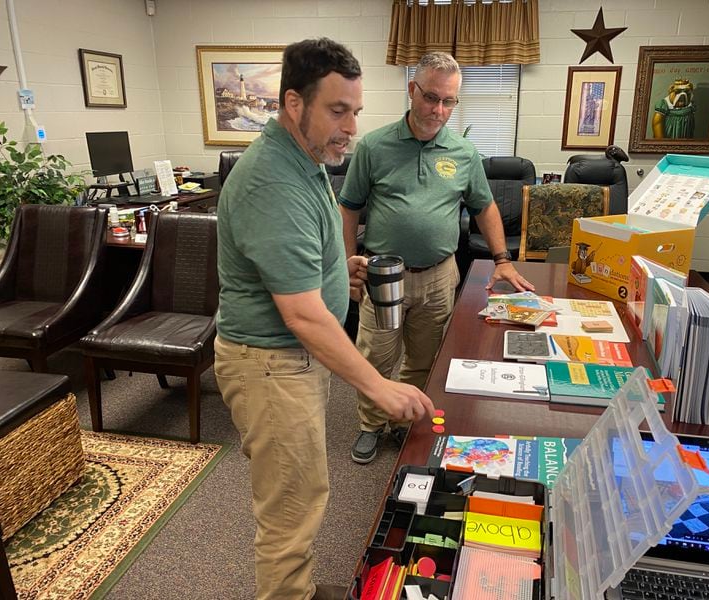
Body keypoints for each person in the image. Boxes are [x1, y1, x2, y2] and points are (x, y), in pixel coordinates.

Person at [214, 38, 435, 600]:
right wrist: (378, 385)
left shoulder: (304, 158)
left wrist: (342, 268)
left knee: (304, 492)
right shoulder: (272, 179)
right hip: (270, 366)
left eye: (356, 112)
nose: (350, 127)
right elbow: (302, 315)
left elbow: (304, 262)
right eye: (337, 111)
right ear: (294, 103)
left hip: (288, 362)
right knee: (290, 510)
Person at [339, 51, 535, 465]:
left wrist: (502, 259)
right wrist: (346, 262)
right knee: (376, 355)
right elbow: (349, 208)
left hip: (440, 275)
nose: (439, 110)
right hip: (384, 275)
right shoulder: (374, 147)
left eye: (449, 102)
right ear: (412, 90)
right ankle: (371, 424)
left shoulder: (463, 153)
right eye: (431, 97)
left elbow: (484, 207)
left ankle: (401, 420)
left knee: (424, 357)